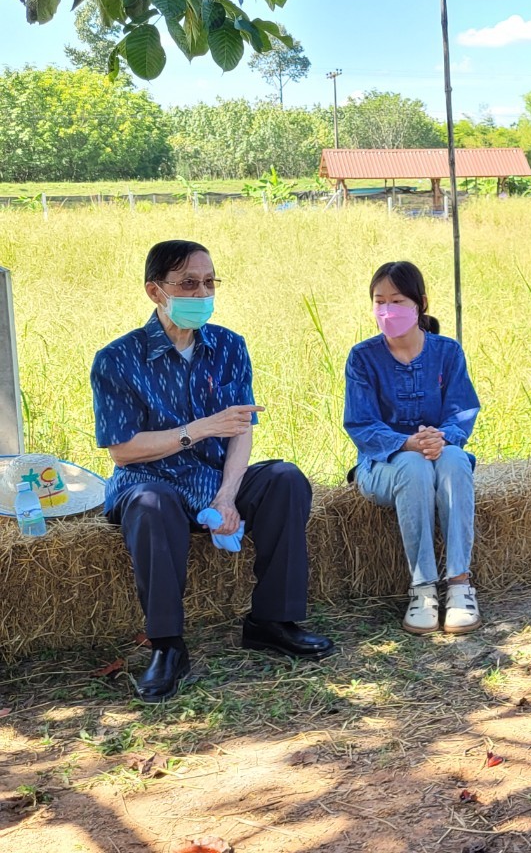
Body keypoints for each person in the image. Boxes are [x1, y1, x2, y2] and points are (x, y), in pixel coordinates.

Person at [91, 240, 334, 704]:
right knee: (151, 505)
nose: (202, 293)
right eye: (188, 283)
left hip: (215, 478)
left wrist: (227, 495)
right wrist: (199, 429)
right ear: (155, 291)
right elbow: (123, 451)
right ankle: (167, 646)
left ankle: (271, 621)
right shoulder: (116, 359)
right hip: (150, 482)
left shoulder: (229, 345)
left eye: (209, 282)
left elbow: (241, 430)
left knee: (285, 479)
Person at [344, 261, 482, 635]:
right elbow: (361, 424)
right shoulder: (362, 357)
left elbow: (461, 412)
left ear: (420, 303)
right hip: (383, 466)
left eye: (397, 301)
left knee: (455, 459)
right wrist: (406, 443)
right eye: (379, 301)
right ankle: (423, 589)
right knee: (413, 466)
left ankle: (460, 584)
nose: (387, 310)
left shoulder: (448, 353)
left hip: (440, 454)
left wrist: (442, 437)